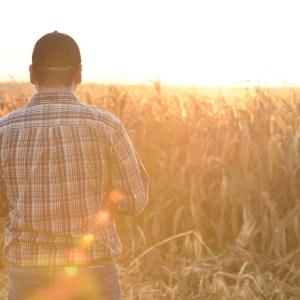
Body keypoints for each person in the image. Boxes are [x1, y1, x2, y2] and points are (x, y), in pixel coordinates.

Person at [0, 31, 149, 300]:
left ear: (32, 74)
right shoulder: (106, 127)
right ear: (78, 74)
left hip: (27, 276)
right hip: (92, 273)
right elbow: (134, 201)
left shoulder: (4, 130)